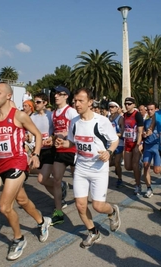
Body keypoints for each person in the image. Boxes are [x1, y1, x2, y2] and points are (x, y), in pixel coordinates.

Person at [0, 82, 51, 261]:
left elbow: (38, 135)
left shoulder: (18, 116)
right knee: (22, 200)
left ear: (9, 96)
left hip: (18, 163)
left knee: (4, 206)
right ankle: (42, 222)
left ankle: (19, 239)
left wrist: (35, 154)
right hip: (2, 165)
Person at [55, 88, 120, 248]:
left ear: (90, 102)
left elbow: (114, 140)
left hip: (98, 169)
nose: (76, 104)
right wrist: (63, 143)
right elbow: (72, 142)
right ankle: (93, 232)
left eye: (80, 101)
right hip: (81, 168)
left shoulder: (101, 121)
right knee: (80, 205)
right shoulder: (74, 122)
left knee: (98, 206)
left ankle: (112, 211)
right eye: (75, 101)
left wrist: (109, 152)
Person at [50, 86, 78, 225]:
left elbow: (78, 128)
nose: (56, 96)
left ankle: (81, 204)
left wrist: (65, 134)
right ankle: (58, 211)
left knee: (77, 181)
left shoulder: (71, 112)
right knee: (56, 180)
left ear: (66, 96)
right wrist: (53, 138)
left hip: (73, 150)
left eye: (59, 94)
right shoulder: (53, 114)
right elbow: (54, 132)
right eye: (55, 94)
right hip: (60, 151)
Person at [30, 92, 56, 199]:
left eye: (38, 102)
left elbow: (58, 132)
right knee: (43, 179)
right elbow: (31, 134)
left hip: (50, 150)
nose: (36, 104)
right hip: (39, 150)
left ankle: (59, 185)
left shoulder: (51, 115)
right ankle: (59, 195)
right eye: (34, 102)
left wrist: (52, 138)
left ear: (45, 103)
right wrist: (29, 139)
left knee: (42, 179)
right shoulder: (32, 117)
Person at [122, 97, 144, 195]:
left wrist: (138, 145)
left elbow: (140, 132)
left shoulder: (137, 115)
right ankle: (138, 167)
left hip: (136, 143)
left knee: (134, 165)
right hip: (127, 143)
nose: (127, 105)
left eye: (129, 104)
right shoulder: (125, 115)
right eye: (125, 103)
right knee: (127, 166)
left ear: (134, 105)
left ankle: (138, 185)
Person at [141, 103, 161, 198]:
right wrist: (144, 135)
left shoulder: (160, 121)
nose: (149, 111)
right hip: (148, 147)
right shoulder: (146, 121)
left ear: (156, 110)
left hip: (157, 147)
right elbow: (143, 133)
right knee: (145, 166)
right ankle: (149, 188)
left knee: (157, 171)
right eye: (148, 109)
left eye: (151, 109)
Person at [108, 101, 124, 187]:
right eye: (110, 107)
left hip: (119, 143)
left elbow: (123, 133)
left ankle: (120, 178)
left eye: (113, 107)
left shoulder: (121, 119)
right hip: (109, 143)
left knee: (117, 162)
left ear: (117, 108)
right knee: (107, 162)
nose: (111, 108)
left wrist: (114, 135)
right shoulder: (107, 118)